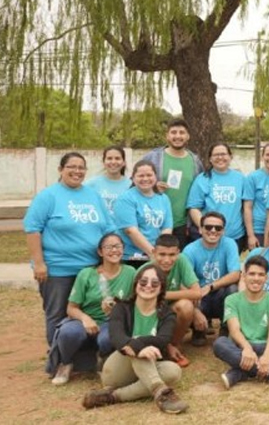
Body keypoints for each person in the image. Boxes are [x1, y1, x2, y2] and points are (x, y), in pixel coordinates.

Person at [26, 152, 115, 347]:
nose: (77, 171)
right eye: (71, 167)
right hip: (59, 269)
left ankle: (84, 356)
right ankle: (58, 357)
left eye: (81, 167)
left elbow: (108, 227)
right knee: (57, 313)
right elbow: (33, 230)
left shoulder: (93, 195)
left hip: (91, 268)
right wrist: (39, 263)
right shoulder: (48, 196)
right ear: (60, 170)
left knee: (90, 312)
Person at [81, 266, 188, 414]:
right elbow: (116, 337)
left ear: (161, 288)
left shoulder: (167, 314)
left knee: (174, 371)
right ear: (136, 284)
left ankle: (113, 396)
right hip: (118, 370)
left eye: (154, 283)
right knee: (136, 347)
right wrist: (136, 344)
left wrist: (137, 342)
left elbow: (163, 340)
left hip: (147, 368)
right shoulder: (121, 308)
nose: (148, 286)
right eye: (143, 282)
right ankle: (161, 392)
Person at [47, 233, 137, 385]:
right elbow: (71, 308)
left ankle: (103, 362)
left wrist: (117, 311)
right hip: (86, 319)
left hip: (112, 321)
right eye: (108, 247)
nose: (114, 250)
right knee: (69, 333)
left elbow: (135, 304)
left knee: (108, 338)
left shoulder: (131, 273)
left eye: (118, 246)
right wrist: (85, 318)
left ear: (123, 249)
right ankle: (65, 363)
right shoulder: (86, 274)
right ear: (100, 252)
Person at [213, 256, 269, 391]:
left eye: (261, 274)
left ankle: (240, 373)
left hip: (266, 345)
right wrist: (247, 349)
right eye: (252, 274)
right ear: (244, 276)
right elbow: (234, 330)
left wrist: (267, 354)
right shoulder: (231, 299)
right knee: (220, 344)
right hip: (241, 347)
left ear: (267, 278)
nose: (256, 278)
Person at [141, 118, 205, 248]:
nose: (177, 136)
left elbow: (200, 192)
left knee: (177, 264)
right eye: (173, 132)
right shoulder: (152, 157)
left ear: (188, 136)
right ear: (167, 136)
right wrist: (152, 188)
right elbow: (134, 185)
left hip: (182, 225)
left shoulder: (195, 161)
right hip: (154, 222)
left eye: (182, 133)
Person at [182, 211, 241, 347]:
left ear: (223, 231)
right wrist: (195, 311)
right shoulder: (190, 250)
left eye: (218, 228)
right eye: (208, 227)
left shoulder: (229, 244)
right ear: (200, 229)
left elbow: (235, 274)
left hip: (218, 292)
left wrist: (210, 286)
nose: (213, 231)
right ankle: (198, 330)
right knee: (188, 294)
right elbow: (183, 282)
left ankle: (226, 329)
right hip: (199, 296)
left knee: (234, 289)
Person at [142, 234, 201, 368]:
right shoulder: (146, 271)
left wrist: (162, 294)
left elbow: (197, 292)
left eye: (171, 255)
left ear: (178, 253)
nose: (167, 260)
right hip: (151, 314)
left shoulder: (181, 261)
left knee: (186, 306)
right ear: (153, 253)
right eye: (162, 254)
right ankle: (163, 347)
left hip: (170, 310)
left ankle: (174, 345)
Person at [187, 142, 254, 253]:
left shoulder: (241, 178)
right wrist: (206, 228)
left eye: (223, 154)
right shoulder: (202, 179)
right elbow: (194, 208)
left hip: (235, 236)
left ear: (230, 157)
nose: (220, 157)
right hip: (210, 236)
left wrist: (250, 234)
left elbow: (247, 207)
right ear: (210, 159)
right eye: (216, 155)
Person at [113, 160, 174, 267]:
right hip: (132, 257)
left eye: (149, 175)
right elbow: (131, 231)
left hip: (157, 255)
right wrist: (153, 254)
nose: (145, 179)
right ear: (133, 178)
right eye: (141, 176)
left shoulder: (163, 198)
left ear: (155, 177)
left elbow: (166, 228)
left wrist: (162, 251)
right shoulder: (125, 199)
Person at [244, 143, 269, 248]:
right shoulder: (253, 177)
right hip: (258, 229)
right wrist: (250, 235)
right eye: (267, 155)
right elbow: (247, 207)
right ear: (263, 156)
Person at [85, 145, 131, 218]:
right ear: (103, 162)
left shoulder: (131, 185)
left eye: (117, 158)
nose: (113, 162)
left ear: (124, 162)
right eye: (109, 158)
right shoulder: (91, 184)